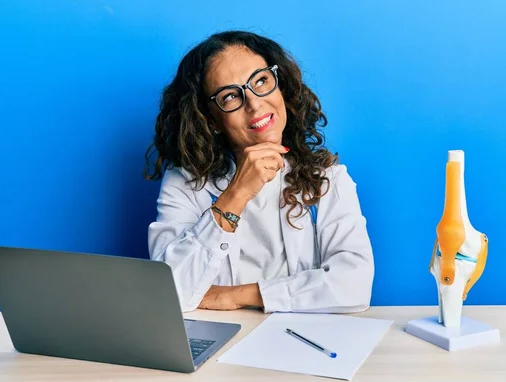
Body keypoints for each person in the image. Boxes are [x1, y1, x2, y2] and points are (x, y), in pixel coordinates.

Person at [144, 30, 374, 314]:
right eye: (230, 96)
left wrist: (237, 296)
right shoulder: (184, 183)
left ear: (281, 87)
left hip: (305, 342)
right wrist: (237, 194)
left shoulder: (328, 178)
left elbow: (354, 286)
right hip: (222, 343)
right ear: (212, 120)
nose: (254, 103)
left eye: (261, 81)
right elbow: (169, 291)